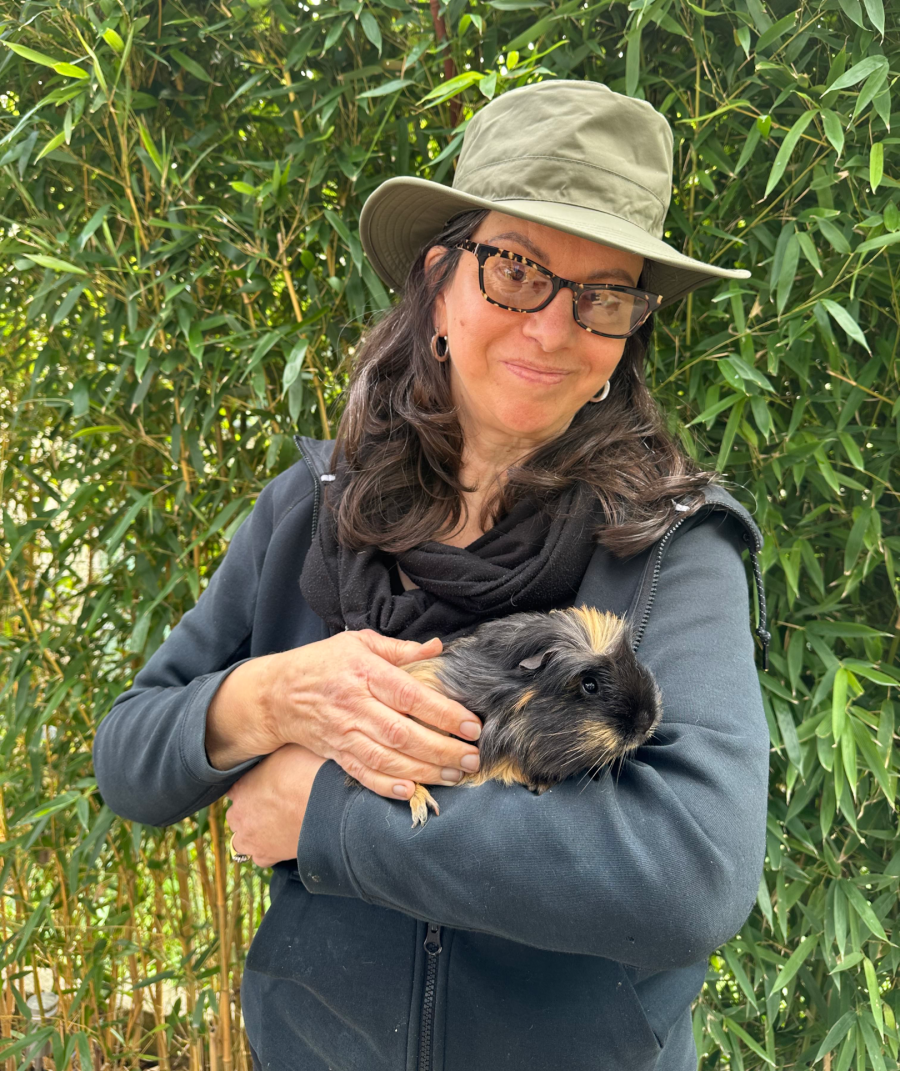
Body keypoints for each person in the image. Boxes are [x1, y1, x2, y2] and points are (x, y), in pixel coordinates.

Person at [93, 80, 771, 1071]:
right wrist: (269, 699)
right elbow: (129, 758)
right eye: (516, 271)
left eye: (605, 296)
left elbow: (693, 873)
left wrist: (324, 816)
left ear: (627, 335)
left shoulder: (672, 546)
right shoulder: (309, 508)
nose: (553, 329)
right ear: (437, 281)